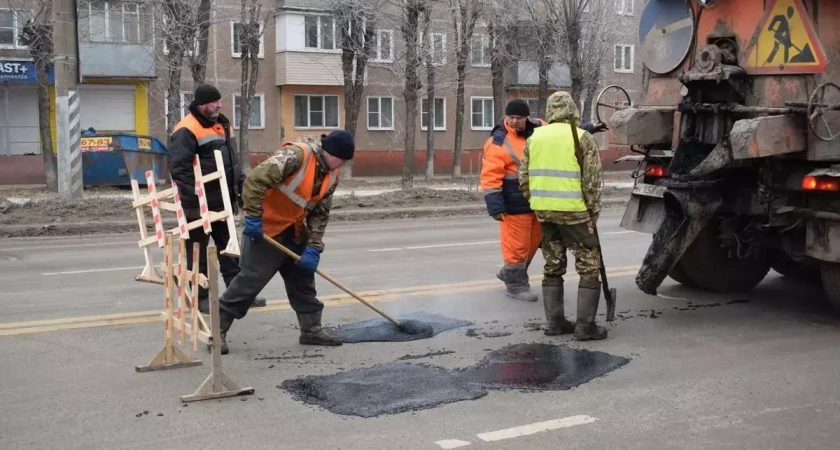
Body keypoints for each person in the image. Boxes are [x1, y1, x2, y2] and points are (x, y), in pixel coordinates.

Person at [215, 130, 355, 354]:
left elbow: (320, 212)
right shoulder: (296, 156)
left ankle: (311, 331)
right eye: (342, 159)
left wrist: (313, 246)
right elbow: (255, 180)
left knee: (303, 281)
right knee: (249, 283)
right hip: (265, 230)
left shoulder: (332, 174)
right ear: (330, 152)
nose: (343, 164)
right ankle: (217, 331)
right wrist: (252, 216)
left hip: (294, 230)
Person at [481, 99, 607, 302]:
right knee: (517, 247)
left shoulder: (539, 127)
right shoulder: (498, 142)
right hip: (513, 204)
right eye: (510, 117)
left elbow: (563, 133)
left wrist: (589, 128)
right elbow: (489, 177)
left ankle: (509, 273)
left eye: (518, 118)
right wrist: (495, 206)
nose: (514, 122)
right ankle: (516, 285)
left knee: (532, 244)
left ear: (527, 118)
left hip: (538, 201)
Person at [168, 83, 267, 314]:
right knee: (198, 251)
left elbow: (232, 163)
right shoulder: (186, 129)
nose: (220, 105)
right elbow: (179, 169)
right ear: (202, 104)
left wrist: (241, 191)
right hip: (198, 204)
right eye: (215, 102)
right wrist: (193, 202)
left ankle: (236, 294)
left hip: (223, 200)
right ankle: (201, 297)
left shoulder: (222, 124)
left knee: (230, 249)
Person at [519, 91, 608, 341]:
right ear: (572, 110)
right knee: (589, 265)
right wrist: (592, 213)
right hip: (575, 212)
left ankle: (555, 323)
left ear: (549, 111)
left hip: (544, 211)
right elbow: (592, 182)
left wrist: (536, 203)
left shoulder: (535, 137)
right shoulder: (582, 137)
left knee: (553, 264)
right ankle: (585, 326)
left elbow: (523, 177)